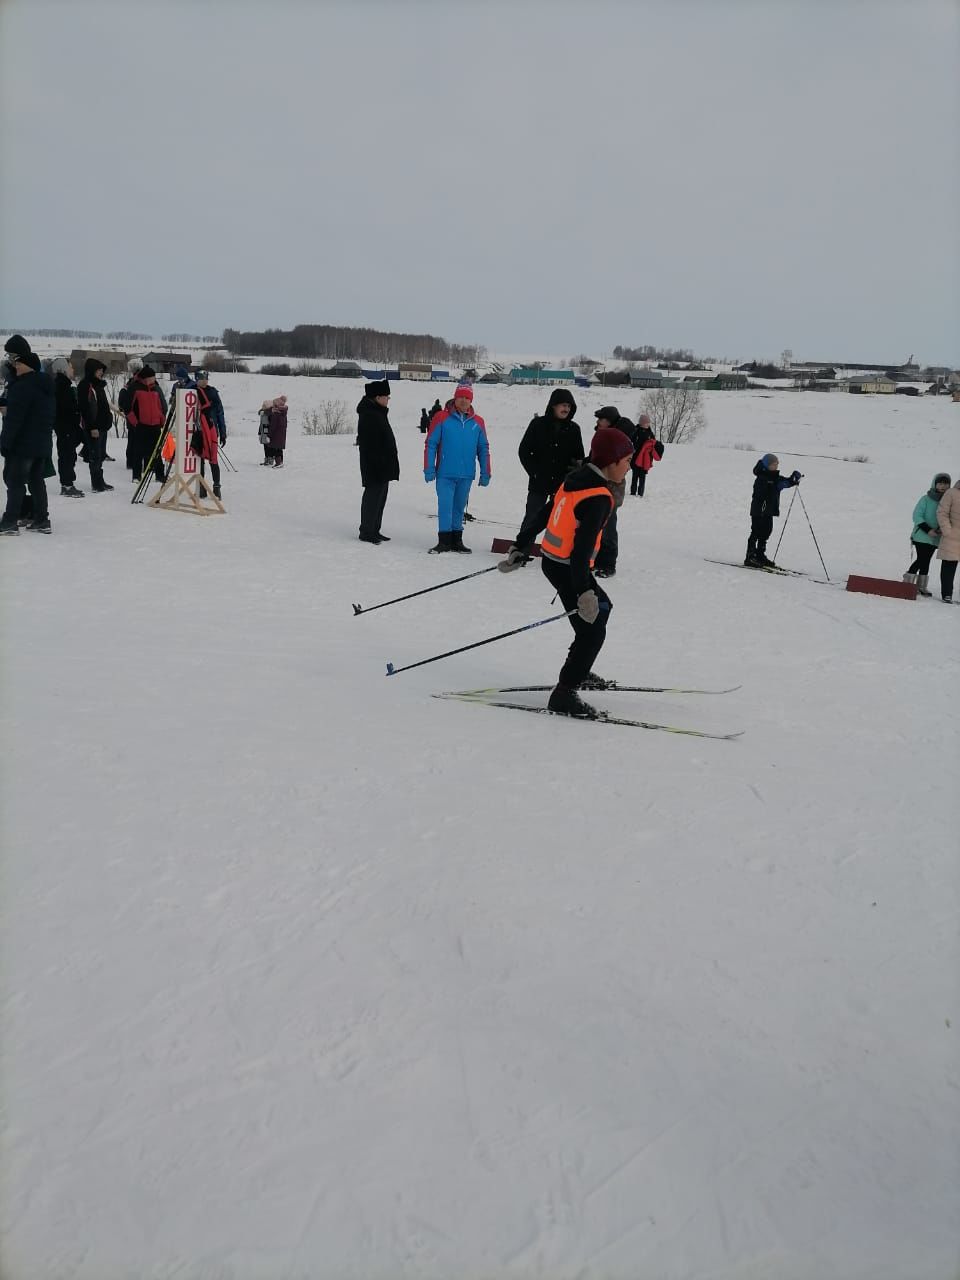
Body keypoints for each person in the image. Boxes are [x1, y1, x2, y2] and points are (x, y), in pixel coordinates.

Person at [498, 426, 636, 717]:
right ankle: (564, 693)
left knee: (602, 609)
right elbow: (581, 551)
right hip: (569, 568)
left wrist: (521, 544)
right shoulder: (598, 497)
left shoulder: (574, 479)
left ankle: (579, 668)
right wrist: (584, 589)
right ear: (610, 463)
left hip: (554, 562)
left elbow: (544, 515)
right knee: (593, 630)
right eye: (626, 461)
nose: (629, 467)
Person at [423, 383, 491, 553]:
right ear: (455, 398)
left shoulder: (478, 422)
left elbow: (483, 448)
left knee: (459, 508)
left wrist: (486, 472)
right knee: (445, 506)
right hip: (445, 473)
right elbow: (431, 444)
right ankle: (444, 541)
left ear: (471, 400)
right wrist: (429, 468)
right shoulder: (441, 417)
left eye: (467, 398)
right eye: (461, 397)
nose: (464, 400)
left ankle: (456, 540)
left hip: (466, 474)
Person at [0, 350, 56, 534]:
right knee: (36, 481)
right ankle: (41, 520)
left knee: (15, 482)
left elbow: (15, 419)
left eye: (19, 364)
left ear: (29, 366)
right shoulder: (45, 386)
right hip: (41, 444)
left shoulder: (22, 387)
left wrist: (5, 442)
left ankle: (9, 522)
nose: (15, 366)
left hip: (23, 444)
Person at [517, 388, 585, 526]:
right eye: (563, 405)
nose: (566, 409)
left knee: (559, 522)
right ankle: (522, 547)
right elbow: (524, 451)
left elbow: (579, 457)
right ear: (554, 405)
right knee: (532, 518)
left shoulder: (574, 429)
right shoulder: (538, 424)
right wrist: (534, 472)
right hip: (539, 482)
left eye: (569, 406)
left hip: (562, 485)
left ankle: (554, 548)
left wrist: (571, 475)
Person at [356, 379, 399, 543]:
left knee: (380, 499)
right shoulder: (370, 414)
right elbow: (370, 444)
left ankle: (374, 529)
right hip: (375, 465)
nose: (388, 400)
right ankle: (367, 531)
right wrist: (380, 462)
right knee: (373, 498)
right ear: (377, 397)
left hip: (383, 464)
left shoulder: (377, 412)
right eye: (386, 396)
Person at [745, 453, 801, 568]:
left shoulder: (774, 476)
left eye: (777, 464)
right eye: (774, 464)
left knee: (766, 532)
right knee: (756, 531)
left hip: (768, 511)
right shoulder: (761, 477)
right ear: (767, 465)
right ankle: (750, 556)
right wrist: (775, 486)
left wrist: (793, 479)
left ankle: (760, 555)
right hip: (759, 511)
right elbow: (762, 492)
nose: (776, 466)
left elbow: (785, 482)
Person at [904, 473, 950, 596]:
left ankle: (921, 586)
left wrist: (941, 529)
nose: (943, 486)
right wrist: (928, 529)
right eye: (940, 483)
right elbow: (917, 515)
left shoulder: (948, 501)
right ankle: (907, 583)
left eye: (946, 484)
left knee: (926, 560)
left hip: (935, 537)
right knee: (922, 559)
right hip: (922, 535)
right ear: (935, 484)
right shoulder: (926, 498)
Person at [591, 406, 624, 577]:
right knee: (597, 526)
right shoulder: (600, 435)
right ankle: (596, 560)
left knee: (609, 527)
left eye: (601, 419)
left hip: (612, 488)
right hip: (597, 486)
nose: (598, 422)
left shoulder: (617, 438)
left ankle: (609, 564)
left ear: (609, 421)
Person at [76, 358, 116, 491]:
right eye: (98, 370)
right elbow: (85, 408)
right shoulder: (85, 385)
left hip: (102, 426)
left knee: (100, 456)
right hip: (93, 427)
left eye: (101, 371)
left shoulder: (99, 385)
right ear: (91, 371)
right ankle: (96, 483)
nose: (101, 373)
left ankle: (100, 481)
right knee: (95, 456)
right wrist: (92, 426)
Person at [49, 357, 85, 497]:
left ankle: (68, 483)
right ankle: (67, 486)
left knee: (70, 455)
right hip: (65, 428)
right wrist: (77, 408)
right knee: (66, 456)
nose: (73, 369)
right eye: (70, 367)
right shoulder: (60, 386)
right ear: (63, 369)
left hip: (69, 427)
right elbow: (65, 408)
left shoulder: (65, 385)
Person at [126, 364, 167, 484]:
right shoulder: (134, 388)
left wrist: (162, 419)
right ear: (145, 378)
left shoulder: (156, 388)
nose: (154, 379)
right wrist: (135, 423)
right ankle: (136, 475)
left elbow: (162, 406)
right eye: (152, 377)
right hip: (141, 425)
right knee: (138, 451)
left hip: (155, 425)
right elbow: (128, 407)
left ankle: (160, 475)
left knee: (157, 451)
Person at [195, 370, 226, 498]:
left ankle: (217, 487)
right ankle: (201, 487)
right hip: (198, 431)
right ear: (197, 379)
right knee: (200, 460)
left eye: (206, 378)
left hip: (212, 429)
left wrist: (223, 432)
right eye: (201, 378)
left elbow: (220, 413)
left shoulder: (213, 392)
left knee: (213, 460)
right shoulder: (192, 391)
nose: (204, 380)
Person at [936, 478, 960, 603]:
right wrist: (947, 531)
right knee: (949, 566)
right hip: (952, 536)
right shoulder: (951, 492)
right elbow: (942, 512)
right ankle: (947, 594)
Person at [630, 413, 664, 497]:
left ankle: (641, 493)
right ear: (641, 423)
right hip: (636, 457)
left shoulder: (650, 432)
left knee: (642, 477)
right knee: (635, 476)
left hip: (645, 459)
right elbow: (631, 440)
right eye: (646, 423)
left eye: (648, 423)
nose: (647, 425)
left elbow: (653, 443)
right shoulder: (636, 430)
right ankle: (633, 492)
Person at [265, 394, 288, 467]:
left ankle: (278, 463)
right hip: (281, 434)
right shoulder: (283, 412)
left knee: (276, 449)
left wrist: (269, 435)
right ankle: (281, 462)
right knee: (279, 448)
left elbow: (273, 426)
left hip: (276, 434)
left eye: (274, 404)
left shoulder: (276, 414)